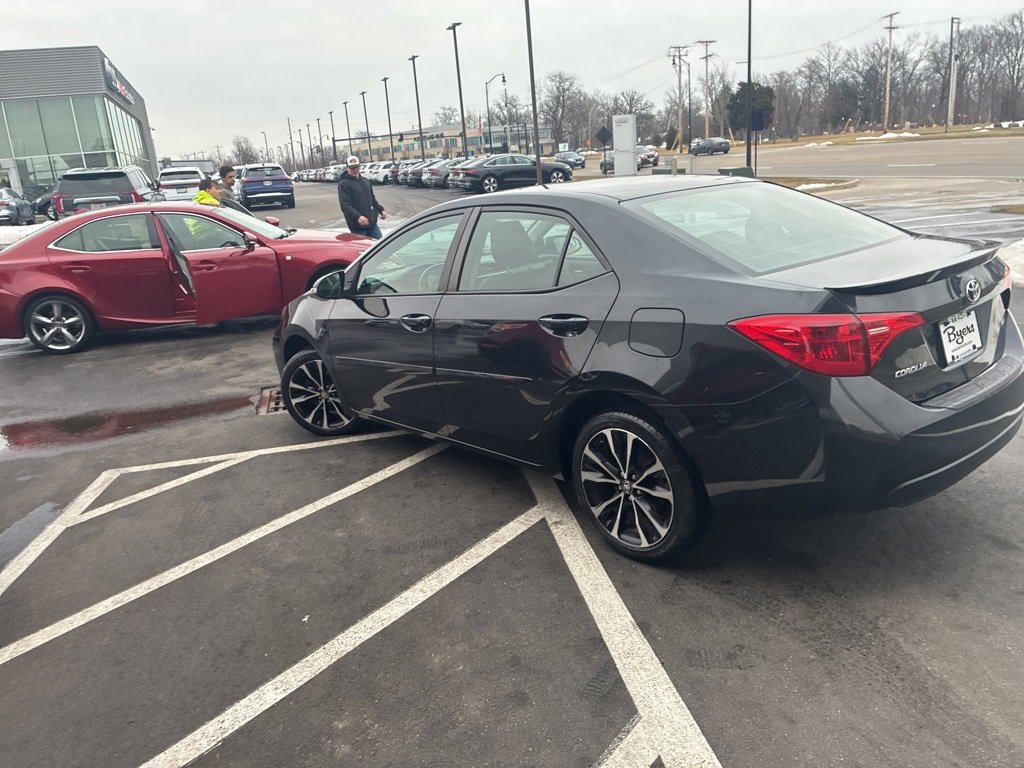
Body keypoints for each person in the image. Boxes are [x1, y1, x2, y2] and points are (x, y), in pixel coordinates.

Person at [337, 155, 387, 239]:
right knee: (363, 249)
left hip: (371, 224)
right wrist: (358, 216)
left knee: (379, 246)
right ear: (347, 168)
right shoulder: (344, 184)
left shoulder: (366, 181)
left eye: (357, 167)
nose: (355, 170)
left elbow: (372, 199)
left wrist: (381, 210)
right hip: (357, 226)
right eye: (352, 168)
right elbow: (345, 205)